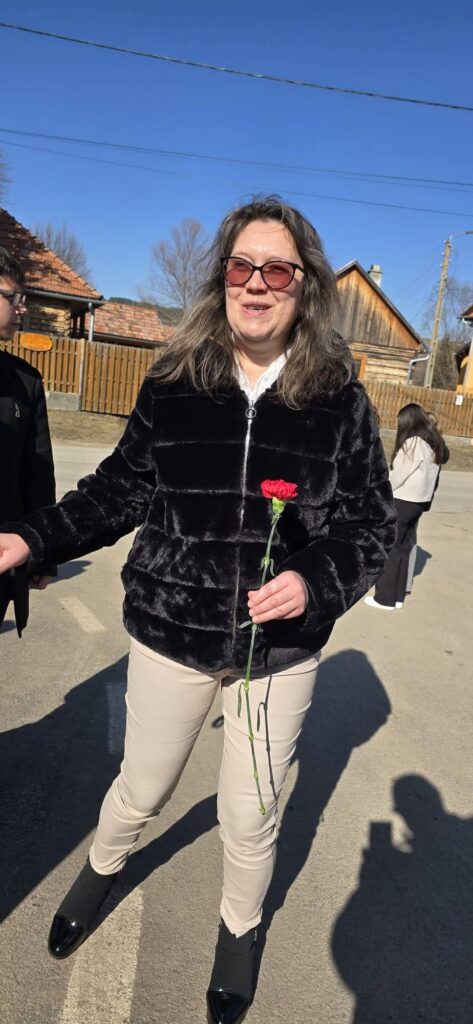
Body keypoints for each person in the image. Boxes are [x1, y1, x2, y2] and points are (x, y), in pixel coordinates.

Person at [0, 197, 396, 1023]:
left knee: (250, 814)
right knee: (142, 787)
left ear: (304, 285)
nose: (256, 283)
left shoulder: (340, 402)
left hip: (278, 651)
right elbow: (119, 489)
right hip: (171, 634)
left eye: (276, 270)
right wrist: (31, 537)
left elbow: (367, 526)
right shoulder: (176, 382)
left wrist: (313, 582)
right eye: (240, 266)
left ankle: (238, 932)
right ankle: (100, 869)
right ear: (221, 279)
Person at [0, 246, 55, 635]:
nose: (22, 308)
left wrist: (42, 550)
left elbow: (37, 474)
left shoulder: (25, 381)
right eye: (12, 297)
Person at [364, 402, 444, 612]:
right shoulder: (433, 442)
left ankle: (385, 599)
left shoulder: (414, 443)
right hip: (418, 503)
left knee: (390, 548)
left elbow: (398, 475)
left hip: (403, 500)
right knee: (403, 548)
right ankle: (397, 596)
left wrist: (381, 491)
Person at [405, 410, 449, 595]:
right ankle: (405, 583)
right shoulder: (438, 445)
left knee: (402, 542)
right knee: (410, 540)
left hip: (409, 498)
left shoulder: (421, 443)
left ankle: (398, 584)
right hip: (423, 500)